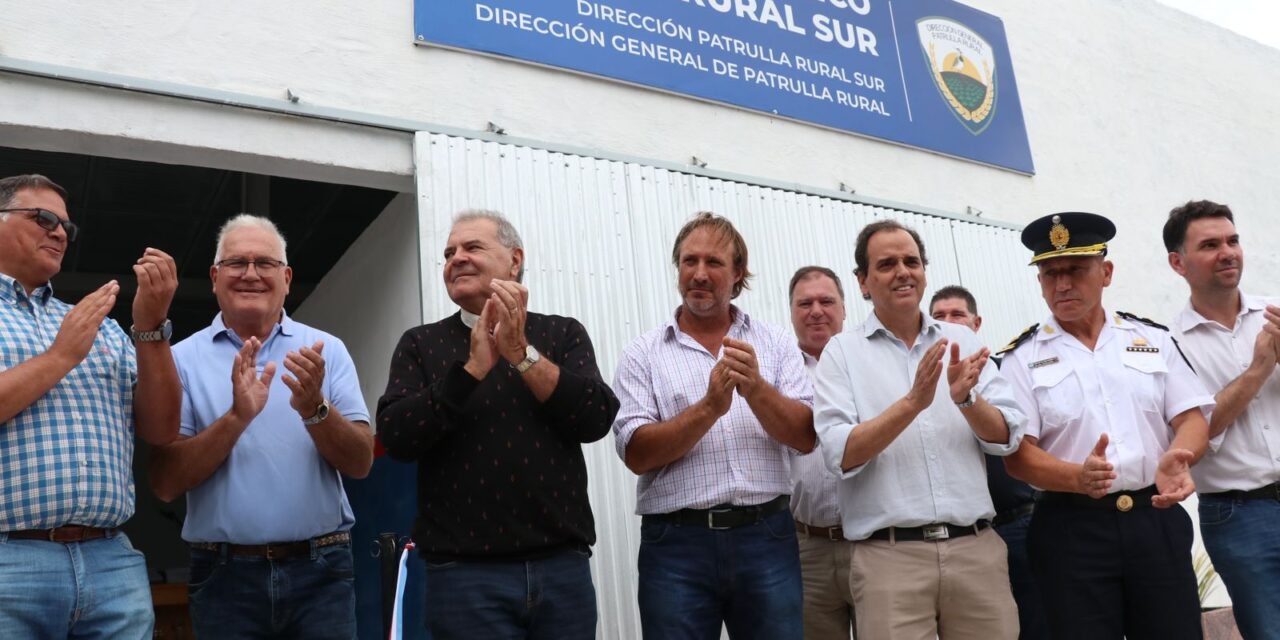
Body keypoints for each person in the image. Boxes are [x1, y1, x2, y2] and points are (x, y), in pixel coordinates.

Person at [378, 210, 619, 640]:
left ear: (515, 260)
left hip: (561, 571)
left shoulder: (562, 333)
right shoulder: (420, 343)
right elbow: (397, 435)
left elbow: (596, 416)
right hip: (464, 578)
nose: (456, 259)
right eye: (449, 252)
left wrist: (522, 354)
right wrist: (470, 370)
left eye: (472, 247)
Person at [149, 214, 373, 639]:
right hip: (223, 577)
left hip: (321, 572)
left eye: (265, 263)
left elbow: (361, 462)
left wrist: (315, 409)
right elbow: (164, 482)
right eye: (237, 263)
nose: (251, 273)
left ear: (287, 278)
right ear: (215, 277)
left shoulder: (326, 350)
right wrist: (237, 418)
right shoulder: (180, 359)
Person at [1000, 211, 1213, 639]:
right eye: (1050, 273)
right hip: (1070, 529)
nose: (1062, 284)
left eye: (1075, 270)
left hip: (1154, 519)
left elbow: (1191, 418)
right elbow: (1019, 457)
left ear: (1106, 272)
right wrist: (1075, 477)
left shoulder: (1151, 339)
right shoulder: (1020, 359)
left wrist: (1179, 455)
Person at [814, 219, 1023, 640]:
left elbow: (1007, 434)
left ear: (925, 271)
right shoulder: (842, 352)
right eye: (887, 264)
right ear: (863, 282)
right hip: (889, 560)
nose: (903, 271)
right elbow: (839, 452)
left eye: (912, 261)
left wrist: (967, 401)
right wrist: (913, 403)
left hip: (975, 551)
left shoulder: (959, 338)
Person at [613, 212, 815, 639]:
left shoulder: (775, 342)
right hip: (676, 545)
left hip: (766, 538)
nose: (699, 274)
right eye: (689, 262)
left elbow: (805, 436)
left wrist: (756, 389)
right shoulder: (642, 352)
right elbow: (636, 454)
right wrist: (709, 408)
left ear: (738, 272)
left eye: (714, 263)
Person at [0, 173, 181, 638]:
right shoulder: (80, 332)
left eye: (66, 226)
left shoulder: (94, 323)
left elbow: (161, 430)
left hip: (110, 560)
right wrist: (61, 357)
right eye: (43, 218)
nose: (59, 232)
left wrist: (149, 327)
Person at [1164, 200, 1280, 639]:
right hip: (1239, 513)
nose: (1228, 252)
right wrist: (1257, 372)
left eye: (1233, 241)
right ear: (1178, 263)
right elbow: (1196, 432)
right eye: (1210, 245)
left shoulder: (1276, 312)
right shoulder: (1168, 344)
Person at [929, 285, 1047, 640]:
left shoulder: (1004, 373)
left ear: (976, 322)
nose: (949, 323)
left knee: (1037, 623)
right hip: (963, 534)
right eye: (939, 317)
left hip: (1017, 523)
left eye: (957, 315)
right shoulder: (925, 383)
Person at [787, 266, 855, 639]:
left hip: (871, 543)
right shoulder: (778, 372)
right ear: (792, 312)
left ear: (844, 309)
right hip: (806, 549)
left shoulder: (867, 360)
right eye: (805, 303)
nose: (816, 310)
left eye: (826, 301)